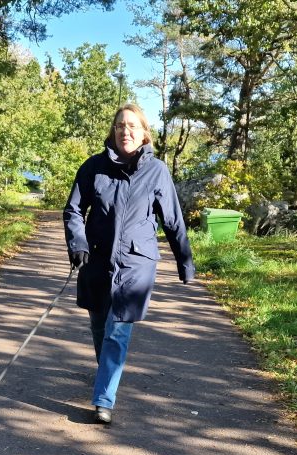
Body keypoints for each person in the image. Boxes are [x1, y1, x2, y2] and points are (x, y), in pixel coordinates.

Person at [63, 103, 195, 425]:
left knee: (117, 330)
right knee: (99, 326)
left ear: (144, 133)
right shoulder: (93, 167)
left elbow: (173, 221)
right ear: (113, 131)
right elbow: (74, 211)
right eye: (120, 125)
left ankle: (103, 399)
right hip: (96, 259)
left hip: (136, 263)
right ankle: (106, 373)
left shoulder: (157, 171)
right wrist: (77, 244)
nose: (126, 131)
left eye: (133, 126)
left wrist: (185, 262)